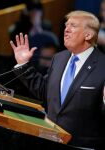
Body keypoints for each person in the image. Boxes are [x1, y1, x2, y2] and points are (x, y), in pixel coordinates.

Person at [10, 10, 105, 149]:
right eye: (66, 25)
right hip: (48, 140)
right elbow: (46, 93)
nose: (66, 29)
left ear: (88, 35)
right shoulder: (59, 58)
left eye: (73, 25)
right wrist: (23, 65)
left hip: (82, 146)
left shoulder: (103, 66)